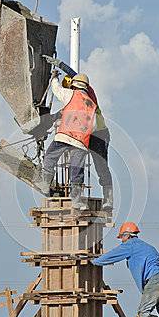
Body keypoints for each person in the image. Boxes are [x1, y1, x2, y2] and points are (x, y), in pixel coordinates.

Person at [43, 55, 113, 210]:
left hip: (98, 135)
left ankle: (108, 199)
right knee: (78, 164)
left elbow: (74, 75)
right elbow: (62, 113)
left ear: (73, 86)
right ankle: (79, 197)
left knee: (101, 167)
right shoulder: (76, 101)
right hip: (84, 134)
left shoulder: (89, 95)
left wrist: (60, 65)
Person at [92, 221, 159, 317]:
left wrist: (94, 261)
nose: (121, 241)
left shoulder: (130, 245)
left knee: (144, 311)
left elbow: (111, 256)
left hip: (155, 278)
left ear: (127, 235)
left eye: (122, 238)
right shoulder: (146, 246)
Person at [36, 70, 97, 210]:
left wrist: (54, 78)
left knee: (50, 158)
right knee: (77, 171)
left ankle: (45, 185)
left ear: (74, 85)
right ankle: (76, 201)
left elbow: (57, 90)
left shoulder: (71, 94)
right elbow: (93, 126)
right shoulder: (92, 105)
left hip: (65, 135)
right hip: (81, 141)